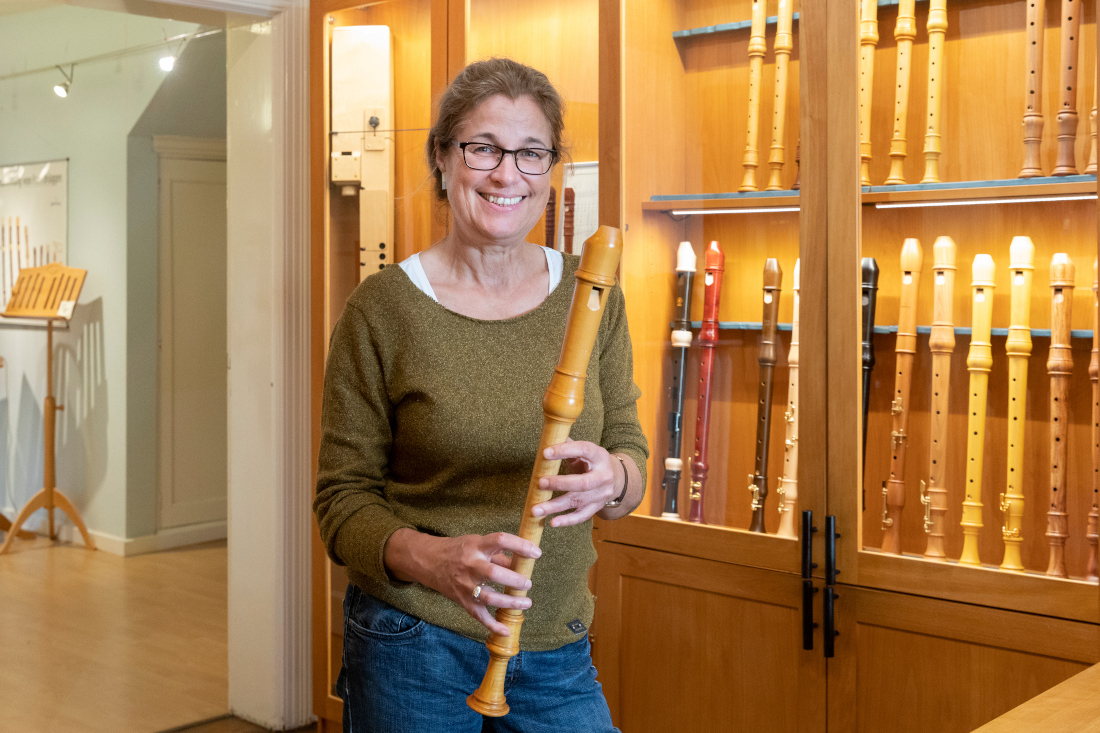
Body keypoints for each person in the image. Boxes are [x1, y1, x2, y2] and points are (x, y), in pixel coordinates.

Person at [314, 57, 648, 733]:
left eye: (532, 153)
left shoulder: (595, 294)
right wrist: (434, 561)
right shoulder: (382, 310)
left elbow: (630, 453)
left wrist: (614, 479)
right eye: (483, 148)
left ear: (550, 171)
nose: (507, 174)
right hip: (414, 641)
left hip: (555, 642)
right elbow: (341, 504)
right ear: (443, 158)